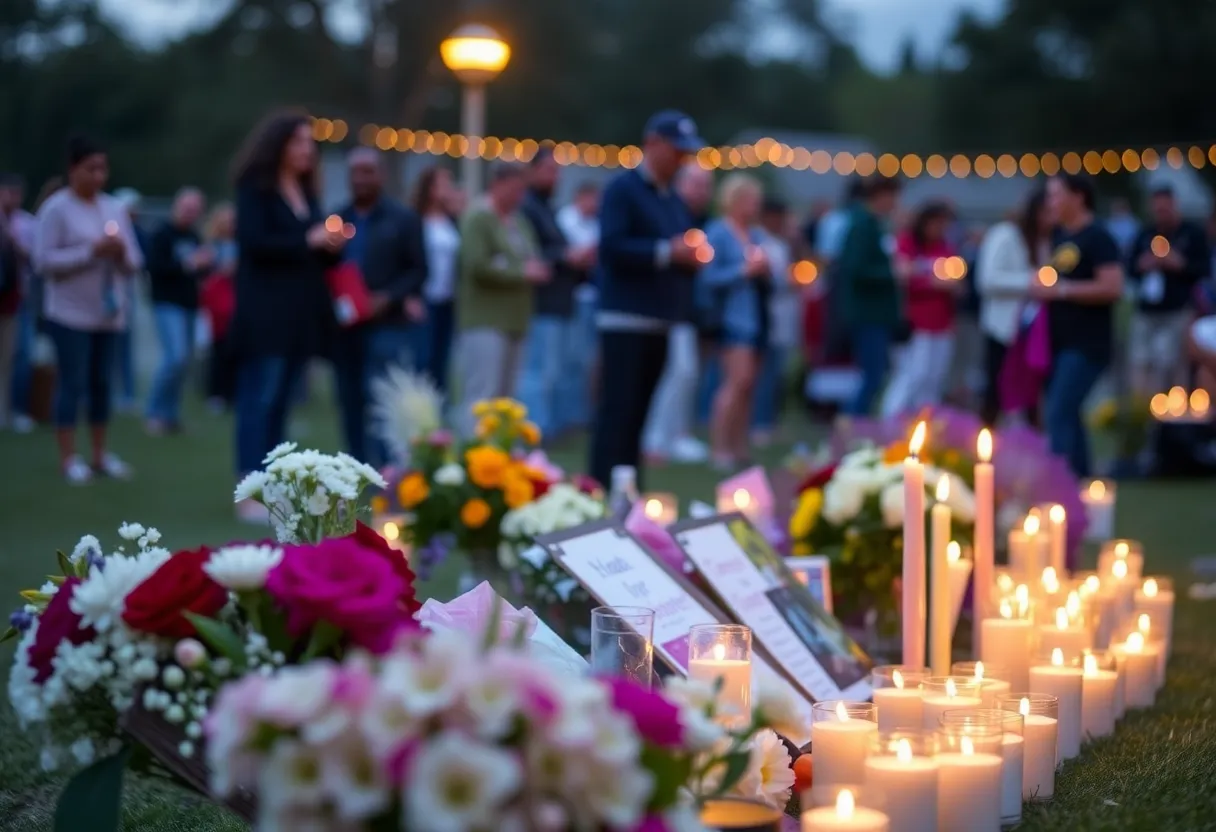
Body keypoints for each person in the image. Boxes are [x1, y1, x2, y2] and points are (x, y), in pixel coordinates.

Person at [230, 110, 345, 520]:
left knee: (280, 403)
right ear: (278, 145)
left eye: (310, 142)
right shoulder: (255, 189)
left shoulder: (306, 192)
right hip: (265, 314)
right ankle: (249, 490)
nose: (306, 149)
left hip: (300, 315)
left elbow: (310, 252)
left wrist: (331, 244)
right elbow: (255, 242)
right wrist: (307, 238)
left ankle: (273, 486)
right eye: (298, 141)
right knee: (259, 400)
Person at [590, 110, 703, 490]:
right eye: (676, 150)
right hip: (625, 317)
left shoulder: (673, 200)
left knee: (639, 414)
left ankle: (628, 489)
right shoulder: (623, 190)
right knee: (617, 410)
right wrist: (667, 252)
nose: (681, 159)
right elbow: (611, 247)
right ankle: (601, 486)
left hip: (660, 319)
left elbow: (681, 246)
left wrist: (691, 258)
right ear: (652, 144)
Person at [34, 135, 142, 483]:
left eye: (102, 169)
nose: (98, 176)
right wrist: (89, 252)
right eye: (90, 168)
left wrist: (120, 253)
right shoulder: (56, 209)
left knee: (101, 384)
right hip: (69, 314)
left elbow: (135, 262)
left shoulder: (113, 208)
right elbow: (42, 262)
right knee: (72, 382)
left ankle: (99, 454)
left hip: (107, 313)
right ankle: (69, 458)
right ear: (73, 169)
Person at [334, 147, 428, 465]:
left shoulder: (403, 219)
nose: (361, 179)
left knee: (382, 399)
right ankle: (353, 467)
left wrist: (388, 297)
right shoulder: (336, 219)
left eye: (368, 171)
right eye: (355, 172)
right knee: (349, 400)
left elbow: (419, 270)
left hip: (388, 324)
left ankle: (387, 470)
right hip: (346, 327)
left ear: (382, 175)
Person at [1034, 173, 1123, 477]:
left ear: (1078, 196)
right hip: (1059, 341)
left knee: (1058, 411)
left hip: (1087, 344)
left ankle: (1057, 481)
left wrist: (1062, 290)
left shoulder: (1098, 237)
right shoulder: (1059, 236)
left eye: (1056, 195)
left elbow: (1112, 287)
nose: (1051, 202)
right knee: (1068, 412)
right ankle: (1081, 480)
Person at [453, 162, 546, 435]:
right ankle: (472, 450)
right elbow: (477, 265)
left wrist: (517, 266)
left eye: (522, 190)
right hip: (484, 320)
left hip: (516, 319)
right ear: (497, 184)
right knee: (482, 394)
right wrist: (521, 272)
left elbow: (531, 256)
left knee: (507, 398)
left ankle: (500, 454)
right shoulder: (478, 218)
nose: (519, 196)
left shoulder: (519, 221)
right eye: (514, 189)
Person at [516, 148, 595, 439]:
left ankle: (553, 424)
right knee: (538, 372)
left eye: (557, 171)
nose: (555, 177)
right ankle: (535, 430)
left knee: (559, 370)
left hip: (561, 301)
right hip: (542, 303)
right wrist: (566, 256)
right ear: (533, 171)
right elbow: (530, 253)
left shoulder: (547, 208)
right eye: (549, 170)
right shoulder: (527, 208)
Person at [644, 162, 714, 465]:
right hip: (663, 308)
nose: (702, 192)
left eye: (706, 185)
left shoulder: (699, 219)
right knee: (672, 373)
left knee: (686, 374)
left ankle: (676, 435)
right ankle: (655, 439)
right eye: (696, 184)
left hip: (685, 309)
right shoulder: (669, 213)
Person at [699, 174, 770, 468]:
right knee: (735, 382)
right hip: (729, 318)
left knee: (748, 385)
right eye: (751, 199)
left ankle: (739, 446)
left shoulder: (755, 234)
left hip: (755, 317)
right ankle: (720, 448)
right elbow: (707, 277)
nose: (755, 205)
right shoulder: (718, 232)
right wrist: (743, 271)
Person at [976, 189, 1051, 424]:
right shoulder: (1005, 235)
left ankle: (1027, 440)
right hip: (1003, 328)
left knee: (1031, 393)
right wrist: (1030, 281)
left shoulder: (1045, 240)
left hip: (1033, 332)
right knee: (997, 389)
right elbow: (987, 279)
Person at [1127, 186, 1211, 396]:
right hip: (1147, 310)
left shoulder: (1191, 234)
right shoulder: (1145, 234)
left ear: (1174, 205)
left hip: (1179, 309)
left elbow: (1204, 270)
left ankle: (1175, 409)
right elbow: (1128, 268)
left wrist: (1179, 264)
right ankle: (1142, 408)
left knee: (1173, 363)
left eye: (1165, 209)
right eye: (1157, 209)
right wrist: (1143, 264)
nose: (1161, 214)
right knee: (1141, 361)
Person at [881, 201, 962, 416]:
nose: (940, 228)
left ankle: (925, 424)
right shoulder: (908, 242)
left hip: (942, 322)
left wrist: (938, 280)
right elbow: (903, 275)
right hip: (916, 322)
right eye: (937, 223)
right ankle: (892, 420)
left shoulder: (945, 247)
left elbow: (956, 282)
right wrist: (933, 280)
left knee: (934, 378)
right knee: (913, 375)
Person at [144, 187, 210, 434]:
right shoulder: (162, 233)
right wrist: (187, 263)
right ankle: (154, 412)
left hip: (189, 304)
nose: (191, 214)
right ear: (177, 206)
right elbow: (154, 266)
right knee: (175, 357)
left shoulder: (194, 236)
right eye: (187, 208)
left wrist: (206, 264)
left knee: (184, 362)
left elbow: (201, 272)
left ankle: (170, 416)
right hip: (167, 303)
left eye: (196, 210)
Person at [835, 175, 902, 416]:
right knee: (872, 375)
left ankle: (855, 423)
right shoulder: (862, 225)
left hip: (876, 312)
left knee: (875, 375)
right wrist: (892, 272)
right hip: (867, 312)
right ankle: (850, 423)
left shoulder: (876, 224)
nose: (895, 203)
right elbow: (855, 269)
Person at [557, 181, 602, 429]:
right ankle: (567, 415)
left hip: (592, 296)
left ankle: (580, 413)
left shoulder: (595, 223)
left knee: (588, 359)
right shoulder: (566, 221)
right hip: (572, 296)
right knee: (571, 358)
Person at [752, 196, 796, 446]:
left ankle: (769, 419)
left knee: (777, 372)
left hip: (783, 315)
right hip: (766, 316)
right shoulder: (758, 242)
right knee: (765, 374)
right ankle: (760, 422)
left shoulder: (781, 244)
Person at [413, 166, 461, 392]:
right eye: (444, 185)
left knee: (443, 360)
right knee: (424, 359)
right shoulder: (417, 220)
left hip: (448, 299)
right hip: (426, 299)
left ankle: (440, 406)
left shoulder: (452, 221)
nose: (448, 190)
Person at [0, 174, 34, 431]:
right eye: (7, 192)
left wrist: (13, 241)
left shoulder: (26, 223)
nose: (11, 198)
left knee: (12, 357)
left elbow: (35, 258)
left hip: (13, 299)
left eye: (15, 193)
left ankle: (10, 411)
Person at [110, 187, 145, 413]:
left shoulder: (137, 233)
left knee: (125, 347)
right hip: (104, 296)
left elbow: (137, 262)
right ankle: (110, 394)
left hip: (126, 296)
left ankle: (127, 394)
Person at [200, 202, 238, 410]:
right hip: (216, 302)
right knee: (217, 348)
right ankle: (215, 392)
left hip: (234, 300)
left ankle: (231, 392)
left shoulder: (241, 243)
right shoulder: (211, 245)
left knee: (233, 346)